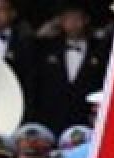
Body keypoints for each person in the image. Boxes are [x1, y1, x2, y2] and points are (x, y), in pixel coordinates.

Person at [31, 0, 108, 134]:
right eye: (68, 18)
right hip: (51, 121)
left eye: (77, 18)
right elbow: (36, 85)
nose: (73, 23)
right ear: (60, 21)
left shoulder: (100, 50)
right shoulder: (46, 48)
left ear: (86, 20)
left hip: (87, 122)